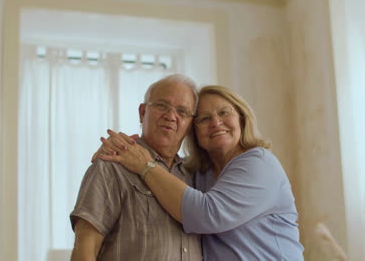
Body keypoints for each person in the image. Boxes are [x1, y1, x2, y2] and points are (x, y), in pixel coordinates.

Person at [98, 85, 305, 260]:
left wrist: (145, 164)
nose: (215, 122)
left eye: (224, 112)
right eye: (204, 118)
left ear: (241, 118)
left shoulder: (259, 163)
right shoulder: (196, 172)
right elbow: (166, 173)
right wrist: (118, 148)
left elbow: (207, 214)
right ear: (193, 131)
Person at [69, 74, 203, 260]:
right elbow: (85, 248)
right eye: (162, 105)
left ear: (190, 125)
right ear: (142, 112)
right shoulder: (112, 165)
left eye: (182, 111)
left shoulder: (196, 176)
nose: (171, 116)